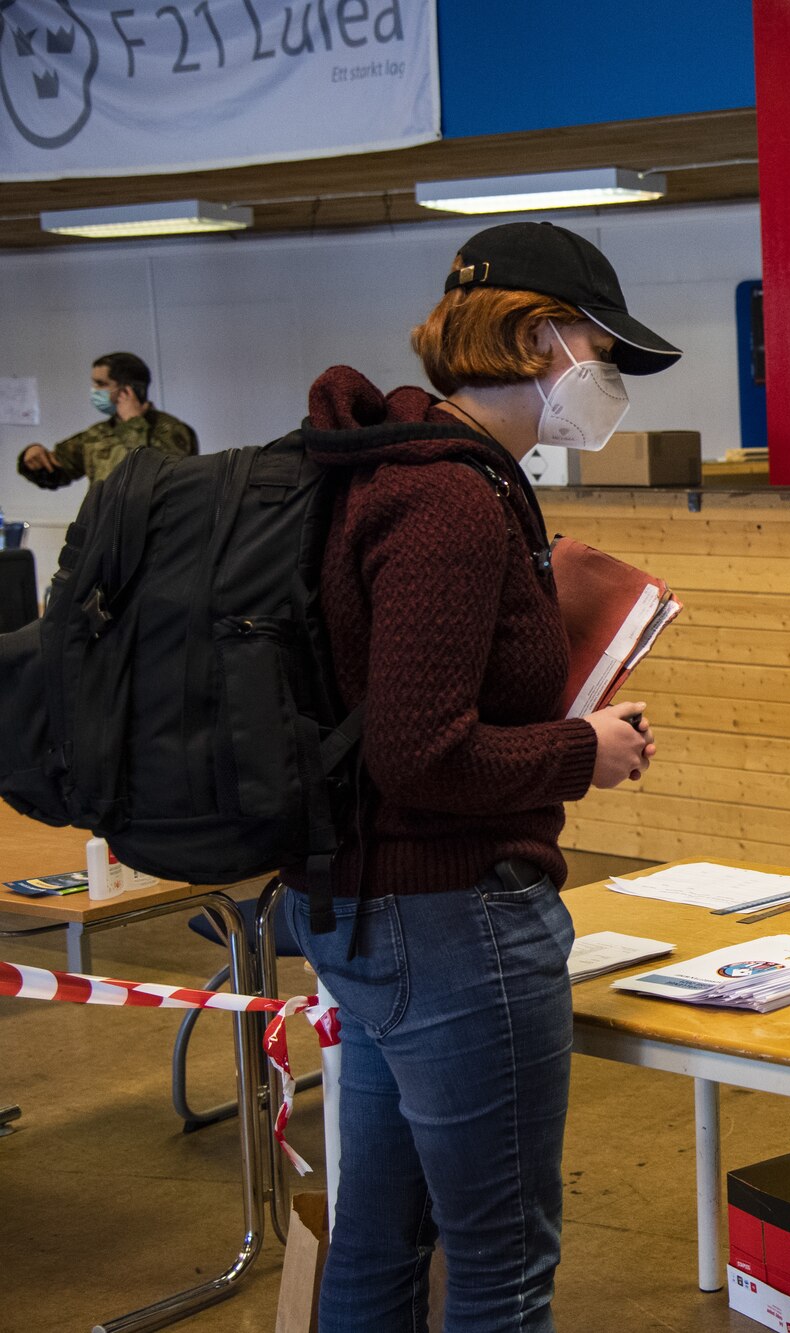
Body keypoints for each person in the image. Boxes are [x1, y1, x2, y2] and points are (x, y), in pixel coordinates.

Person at [283, 221, 680, 1332]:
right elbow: (420, 748)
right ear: (536, 337)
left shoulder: (389, 467)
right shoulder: (452, 500)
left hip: (363, 906)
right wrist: (580, 751)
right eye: (599, 348)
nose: (603, 378)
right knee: (499, 1270)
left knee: (379, 1237)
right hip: (450, 917)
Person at [15, 352, 197, 492]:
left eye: (101, 384)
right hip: (104, 533)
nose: (95, 391)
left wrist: (133, 426)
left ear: (128, 390)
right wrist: (31, 456)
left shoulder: (171, 430)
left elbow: (164, 484)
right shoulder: (99, 433)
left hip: (153, 536)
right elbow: (54, 474)